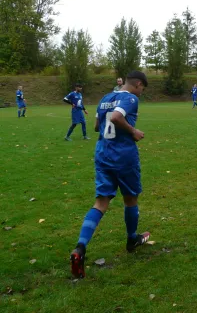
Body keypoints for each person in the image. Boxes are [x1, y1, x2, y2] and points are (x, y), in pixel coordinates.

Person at [70, 71, 151, 279]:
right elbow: (116, 117)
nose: (141, 93)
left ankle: (80, 248)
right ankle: (132, 239)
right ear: (138, 84)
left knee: (100, 202)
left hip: (103, 154)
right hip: (123, 156)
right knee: (130, 198)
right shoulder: (130, 98)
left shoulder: (105, 98)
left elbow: (98, 126)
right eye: (142, 89)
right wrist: (132, 131)